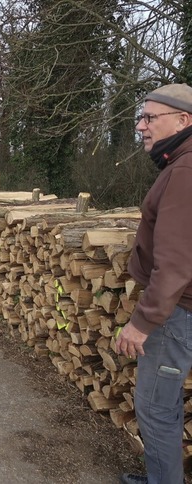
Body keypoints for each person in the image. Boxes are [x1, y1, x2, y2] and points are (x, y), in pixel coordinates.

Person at [115, 83, 192, 484]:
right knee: (164, 407)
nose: (141, 126)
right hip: (178, 310)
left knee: (155, 409)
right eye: (140, 118)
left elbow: (176, 264)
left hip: (174, 314)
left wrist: (143, 322)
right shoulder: (181, 164)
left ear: (183, 120)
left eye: (150, 118)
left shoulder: (185, 170)